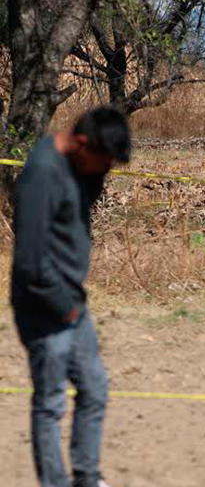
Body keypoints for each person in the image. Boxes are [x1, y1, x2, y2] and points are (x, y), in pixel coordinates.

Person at [11, 107, 131, 487]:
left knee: (94, 388)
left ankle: (87, 477)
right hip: (45, 306)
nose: (108, 168)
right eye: (105, 160)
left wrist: (73, 306)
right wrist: (64, 308)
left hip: (71, 304)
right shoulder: (42, 175)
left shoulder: (77, 169)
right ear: (82, 143)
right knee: (50, 402)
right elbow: (31, 261)